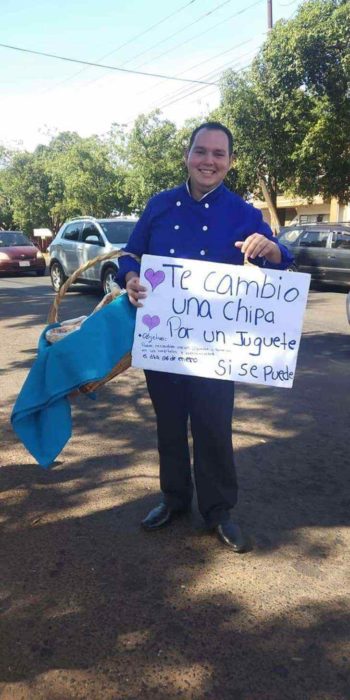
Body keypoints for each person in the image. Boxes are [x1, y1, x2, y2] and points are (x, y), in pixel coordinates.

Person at [116, 122, 294, 553]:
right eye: (202, 151)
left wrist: (271, 250)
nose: (209, 161)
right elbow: (128, 253)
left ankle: (219, 512)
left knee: (214, 428)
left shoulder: (243, 212)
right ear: (188, 155)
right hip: (165, 342)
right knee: (170, 426)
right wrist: (131, 277)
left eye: (219, 154)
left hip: (217, 347)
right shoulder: (159, 205)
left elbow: (280, 260)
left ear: (229, 162)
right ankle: (174, 499)